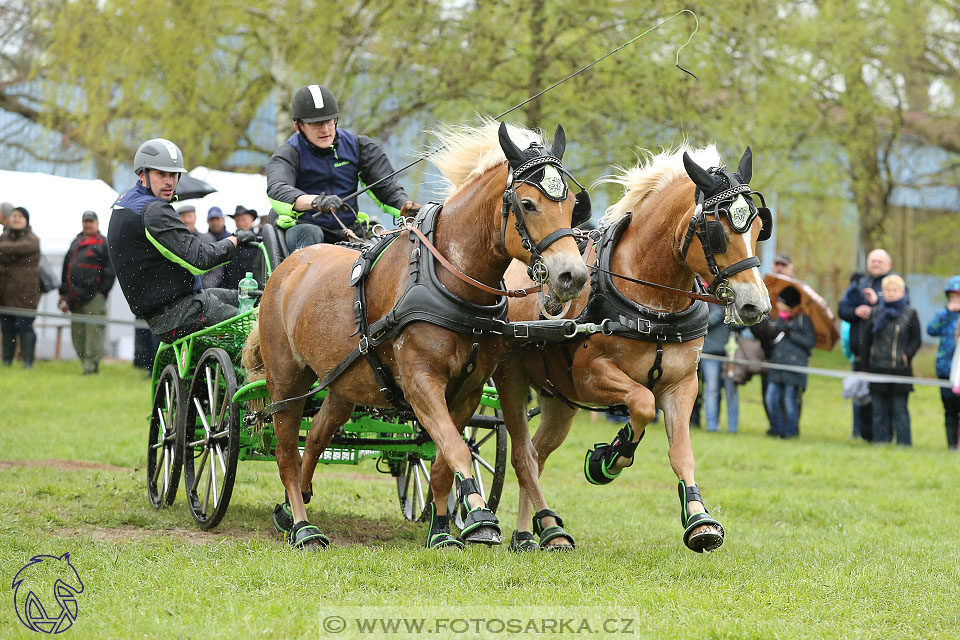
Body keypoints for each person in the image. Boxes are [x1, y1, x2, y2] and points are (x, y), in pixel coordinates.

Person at [107, 138, 258, 343]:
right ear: (143, 175)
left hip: (169, 309)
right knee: (260, 329)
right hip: (180, 313)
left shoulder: (126, 201)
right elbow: (200, 259)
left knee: (251, 298)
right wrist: (235, 240)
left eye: (174, 174)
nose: (170, 181)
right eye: (162, 174)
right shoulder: (153, 210)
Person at [265, 84, 419, 251]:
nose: (325, 130)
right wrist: (317, 201)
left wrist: (405, 206)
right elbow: (277, 190)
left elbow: (386, 189)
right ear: (298, 126)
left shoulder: (359, 146)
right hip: (305, 229)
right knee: (311, 232)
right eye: (316, 124)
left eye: (329, 122)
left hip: (349, 230)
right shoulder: (288, 153)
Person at [838, 249, 903, 441]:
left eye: (879, 261)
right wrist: (856, 310)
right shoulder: (859, 284)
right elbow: (842, 309)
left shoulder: (894, 284)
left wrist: (877, 304)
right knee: (860, 396)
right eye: (872, 260)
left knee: (882, 399)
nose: (875, 264)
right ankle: (860, 433)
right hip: (860, 353)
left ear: (889, 265)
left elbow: (902, 311)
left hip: (883, 355)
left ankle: (883, 436)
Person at [861, 275, 920, 446]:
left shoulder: (910, 313)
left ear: (902, 292)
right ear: (883, 293)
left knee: (899, 410)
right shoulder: (875, 313)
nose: (891, 293)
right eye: (888, 290)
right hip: (877, 368)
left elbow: (916, 340)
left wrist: (907, 355)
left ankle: (903, 444)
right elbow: (867, 341)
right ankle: (880, 442)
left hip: (900, 370)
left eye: (895, 290)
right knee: (878, 411)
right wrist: (864, 366)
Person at [57, 211, 115, 374]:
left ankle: (91, 366)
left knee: (93, 332)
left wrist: (102, 291)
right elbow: (66, 267)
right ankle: (84, 363)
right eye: (85, 222)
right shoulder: (76, 242)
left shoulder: (103, 243)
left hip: (94, 297)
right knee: (78, 333)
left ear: (97, 223)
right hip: (74, 296)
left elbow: (110, 271)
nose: (88, 224)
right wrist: (63, 293)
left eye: (91, 221)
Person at [764, 286, 816, 439]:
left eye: (782, 302)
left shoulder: (803, 320)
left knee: (789, 401)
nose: (778, 304)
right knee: (771, 398)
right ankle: (777, 429)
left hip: (794, 366)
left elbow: (809, 342)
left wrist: (790, 331)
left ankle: (790, 432)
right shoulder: (777, 319)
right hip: (778, 364)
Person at [0, 206, 41, 368]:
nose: (16, 218)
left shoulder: (33, 239)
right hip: (5, 294)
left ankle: (28, 363)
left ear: (26, 220)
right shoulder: (4, 236)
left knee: (25, 329)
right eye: (14, 215)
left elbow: (20, 248)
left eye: (20, 216)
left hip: (26, 295)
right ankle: (6, 362)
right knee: (7, 329)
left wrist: (6, 250)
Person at [926, 275, 960, 449]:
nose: (956, 299)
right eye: (953, 295)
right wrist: (947, 312)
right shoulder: (943, 314)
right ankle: (951, 445)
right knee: (950, 410)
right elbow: (931, 330)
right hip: (946, 369)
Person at [700, 303, 741, 433]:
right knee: (712, 390)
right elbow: (705, 323)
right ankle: (711, 426)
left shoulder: (730, 303)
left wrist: (733, 312)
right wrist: (723, 312)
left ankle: (732, 427)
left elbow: (739, 325)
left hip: (729, 354)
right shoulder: (707, 303)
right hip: (709, 353)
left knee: (731, 391)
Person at [220, 206, 259, 290]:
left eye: (244, 219)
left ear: (251, 219)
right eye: (238, 220)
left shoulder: (259, 241)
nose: (241, 223)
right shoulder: (231, 242)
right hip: (233, 288)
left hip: (254, 287)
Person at [199, 207, 230, 289]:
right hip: (208, 288)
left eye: (217, 219)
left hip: (229, 286)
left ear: (223, 220)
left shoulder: (231, 240)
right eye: (212, 220)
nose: (215, 223)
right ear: (208, 222)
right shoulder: (202, 241)